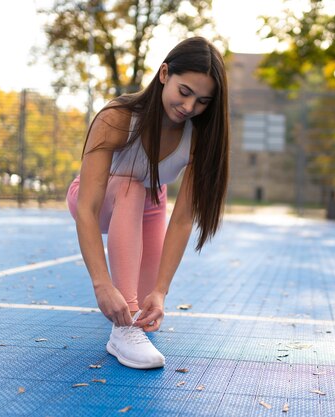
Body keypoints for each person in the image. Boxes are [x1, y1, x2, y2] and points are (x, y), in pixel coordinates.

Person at [66, 37, 229, 369]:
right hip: (95, 197)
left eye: (202, 101)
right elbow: (87, 207)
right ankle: (121, 334)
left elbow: (182, 219)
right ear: (164, 73)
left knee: (142, 308)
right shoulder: (118, 117)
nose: (189, 107)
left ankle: (130, 319)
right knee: (132, 185)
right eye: (184, 92)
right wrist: (102, 283)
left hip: (149, 202)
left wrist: (161, 292)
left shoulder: (196, 138)